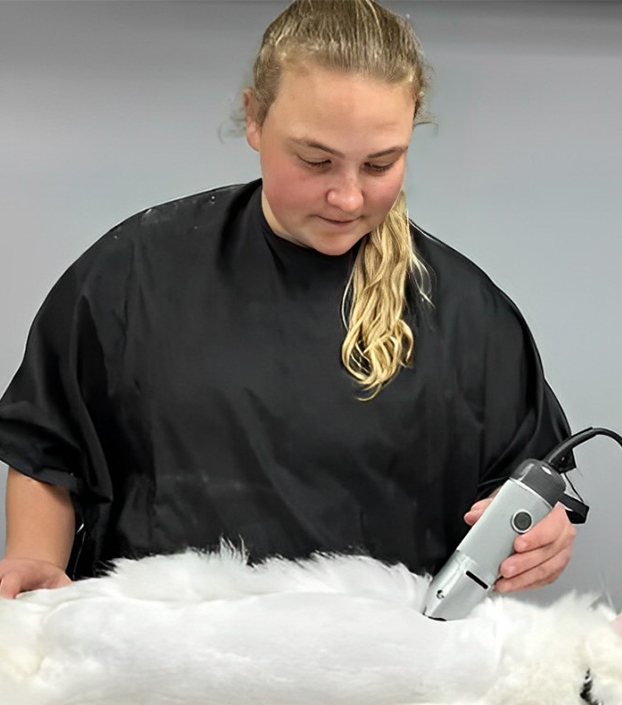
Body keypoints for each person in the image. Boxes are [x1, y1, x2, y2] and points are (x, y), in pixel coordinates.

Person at [0, 0, 576, 600]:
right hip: (151, 671)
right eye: (315, 160)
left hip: (384, 679)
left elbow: (529, 491)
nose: (348, 198)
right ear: (254, 118)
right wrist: (35, 558)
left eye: (381, 164)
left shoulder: (466, 317)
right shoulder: (134, 271)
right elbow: (48, 447)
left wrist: (544, 537)